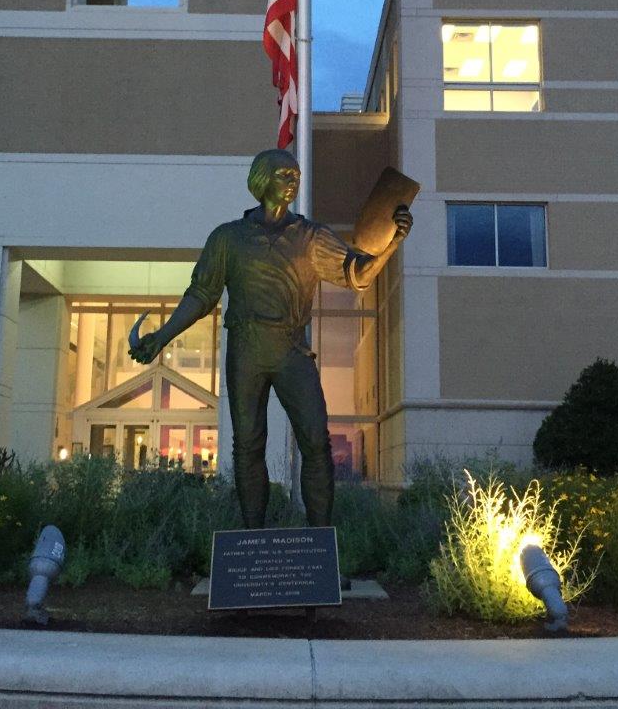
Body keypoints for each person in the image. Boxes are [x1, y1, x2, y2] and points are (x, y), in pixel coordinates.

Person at [129, 148, 412, 528]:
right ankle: (252, 542)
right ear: (261, 181)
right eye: (283, 174)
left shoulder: (311, 237)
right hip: (246, 349)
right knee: (247, 447)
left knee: (316, 443)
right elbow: (200, 295)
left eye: (295, 174)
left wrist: (391, 241)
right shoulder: (227, 238)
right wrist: (162, 336)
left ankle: (319, 548)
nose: (292, 179)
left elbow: (356, 274)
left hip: (292, 350)